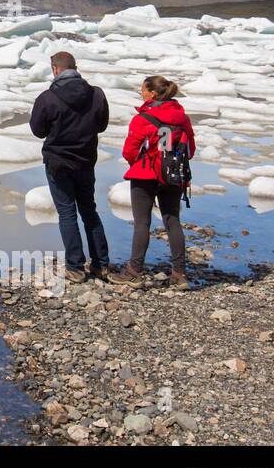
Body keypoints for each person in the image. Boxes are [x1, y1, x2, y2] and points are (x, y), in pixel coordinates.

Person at [29, 51, 111, 282]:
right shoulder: (96, 94)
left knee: (67, 213)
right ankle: (101, 264)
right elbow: (102, 125)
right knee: (89, 210)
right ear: (75, 67)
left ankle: (75, 267)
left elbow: (38, 130)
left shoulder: (47, 97)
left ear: (55, 69)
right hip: (86, 160)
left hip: (58, 163)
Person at [109, 75, 196, 289]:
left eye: (143, 90)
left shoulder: (143, 119)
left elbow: (129, 150)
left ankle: (134, 271)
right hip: (173, 175)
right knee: (172, 221)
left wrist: (141, 163)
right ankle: (180, 274)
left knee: (142, 223)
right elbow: (190, 149)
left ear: (153, 94)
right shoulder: (181, 118)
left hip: (145, 175)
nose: (141, 93)